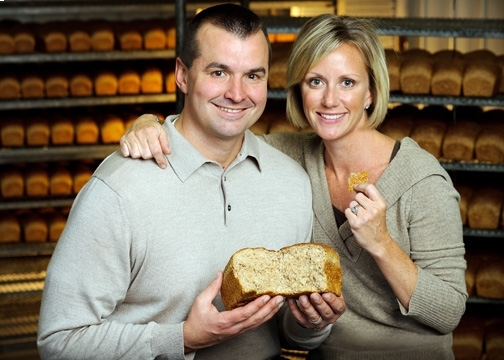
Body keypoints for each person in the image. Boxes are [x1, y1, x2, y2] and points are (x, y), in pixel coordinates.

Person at [120, 13, 468, 360]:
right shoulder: (287, 157)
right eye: (316, 82)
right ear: (299, 89)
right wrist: (149, 123)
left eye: (347, 82)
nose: (330, 100)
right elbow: (212, 133)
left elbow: (448, 312)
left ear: (371, 93)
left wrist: (382, 244)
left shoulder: (421, 180)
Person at [37, 5, 347, 360]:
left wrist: (311, 323)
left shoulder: (291, 182)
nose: (236, 93)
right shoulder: (120, 191)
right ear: (182, 75)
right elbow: (58, 342)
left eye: (253, 76)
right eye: (219, 72)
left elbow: (290, 337)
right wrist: (182, 338)